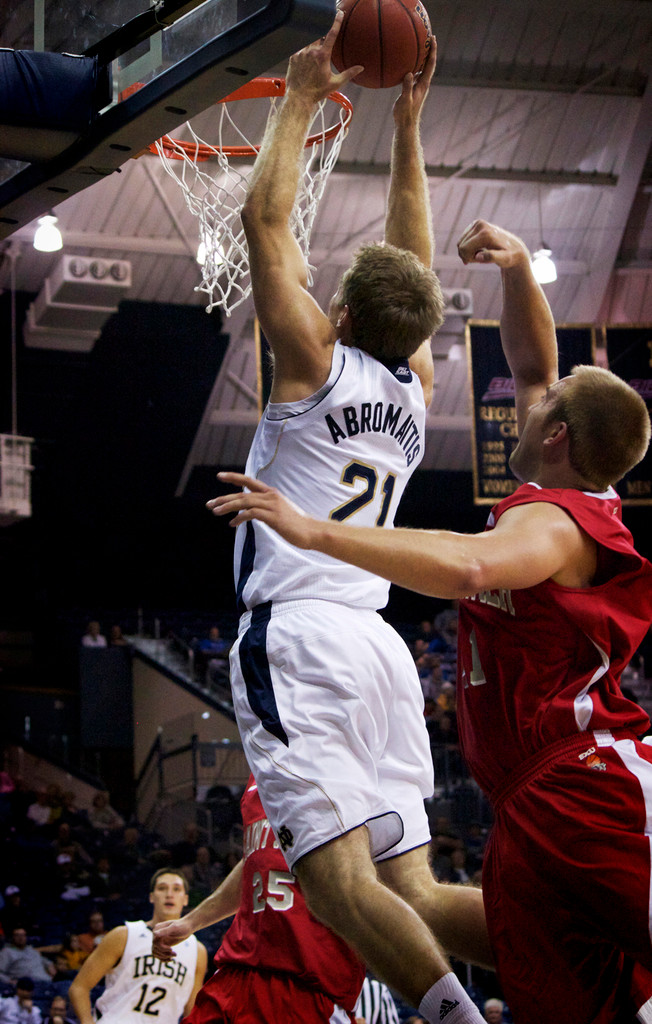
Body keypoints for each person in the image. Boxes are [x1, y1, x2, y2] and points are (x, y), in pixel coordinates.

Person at [208, 219, 652, 1024]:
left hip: (588, 778)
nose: (532, 392)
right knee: (542, 951)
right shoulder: (559, 480)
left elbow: (470, 566)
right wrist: (518, 273)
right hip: (528, 791)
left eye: (545, 403)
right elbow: (535, 362)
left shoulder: (553, 526)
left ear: (555, 435)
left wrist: (311, 530)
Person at [203, 18, 493, 1024]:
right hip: (378, 651)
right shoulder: (414, 388)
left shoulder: (315, 363)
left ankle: (451, 1016)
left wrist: (297, 95)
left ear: (344, 311)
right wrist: (407, 126)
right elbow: (414, 261)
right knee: (412, 890)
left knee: (333, 885)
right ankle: (589, 955)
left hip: (302, 634)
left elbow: (265, 227)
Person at [152, 774, 366, 1023]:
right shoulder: (261, 762)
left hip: (304, 981)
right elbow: (257, 857)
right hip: (236, 972)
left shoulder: (353, 759)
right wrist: (191, 922)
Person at [69, 868, 206, 1024]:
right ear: (152, 897)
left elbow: (192, 1011)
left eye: (176, 889)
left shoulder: (197, 950)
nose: (169, 894)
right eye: (162, 888)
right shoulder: (123, 935)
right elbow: (79, 987)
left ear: (186, 899)